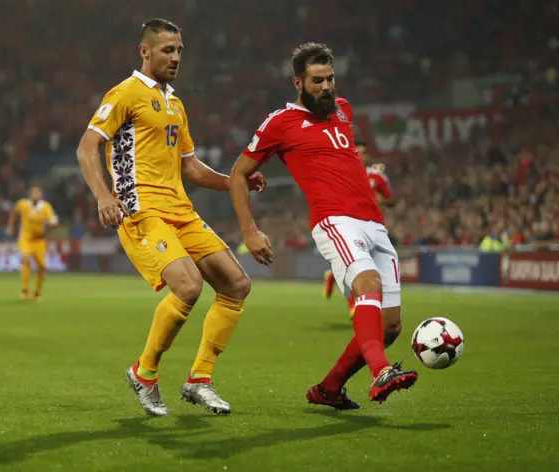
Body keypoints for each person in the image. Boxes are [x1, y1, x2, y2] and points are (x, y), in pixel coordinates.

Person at [76, 18, 266, 417]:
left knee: (236, 284)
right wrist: (102, 195)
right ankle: (145, 373)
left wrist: (237, 180)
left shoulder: (176, 104)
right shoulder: (126, 93)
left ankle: (200, 379)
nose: (176, 57)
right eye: (167, 50)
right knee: (189, 286)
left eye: (179, 50)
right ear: (145, 51)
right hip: (142, 209)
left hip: (181, 210)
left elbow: (192, 169)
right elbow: (87, 146)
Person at [229, 42, 417, 407]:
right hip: (334, 220)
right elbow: (239, 174)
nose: (327, 87)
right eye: (317, 80)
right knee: (368, 284)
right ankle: (381, 373)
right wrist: (249, 230)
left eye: (331, 78)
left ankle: (329, 388)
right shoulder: (279, 123)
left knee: (391, 327)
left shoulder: (343, 110)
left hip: (375, 225)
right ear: (298, 82)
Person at [324, 141, 396, 316]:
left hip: (372, 226)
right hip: (348, 224)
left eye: (364, 152)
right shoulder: (342, 174)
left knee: (370, 268)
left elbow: (392, 201)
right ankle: (354, 306)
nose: (361, 156)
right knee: (355, 266)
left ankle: (333, 275)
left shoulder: (377, 177)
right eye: (358, 152)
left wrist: (380, 200)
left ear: (368, 156)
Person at [6, 186, 58, 301]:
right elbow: (14, 213)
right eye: (33, 193)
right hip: (25, 238)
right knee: (26, 258)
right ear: (30, 194)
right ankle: (24, 291)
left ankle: (37, 293)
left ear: (41, 195)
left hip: (39, 240)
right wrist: (10, 226)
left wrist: (49, 222)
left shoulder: (45, 207)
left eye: (37, 193)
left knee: (42, 267)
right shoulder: (23, 204)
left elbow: (54, 220)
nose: (35, 195)